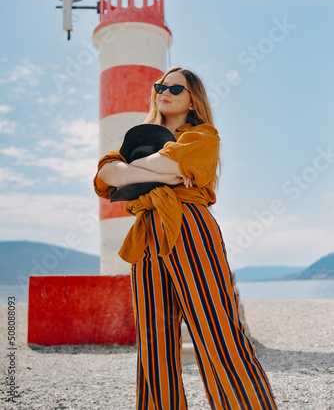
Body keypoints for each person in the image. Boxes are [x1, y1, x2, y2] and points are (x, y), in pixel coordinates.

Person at [94, 67, 277, 410]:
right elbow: (105, 173)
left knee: (216, 329)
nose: (164, 91)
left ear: (193, 99)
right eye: (160, 86)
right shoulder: (135, 140)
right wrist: (159, 170)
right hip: (147, 230)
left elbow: (164, 166)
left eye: (174, 88)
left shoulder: (204, 136)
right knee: (154, 339)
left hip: (189, 226)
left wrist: (133, 173)